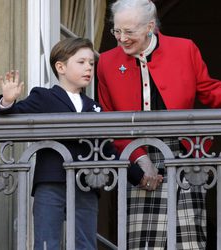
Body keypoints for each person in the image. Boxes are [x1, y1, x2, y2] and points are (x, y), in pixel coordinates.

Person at [97, 0, 221, 249]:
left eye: (129, 31)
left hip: (184, 150)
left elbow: (209, 91)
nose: (122, 38)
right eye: (117, 30)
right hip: (137, 149)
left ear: (150, 27)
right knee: (144, 241)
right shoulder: (107, 62)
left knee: (189, 238)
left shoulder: (184, 49)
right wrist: (138, 157)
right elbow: (108, 119)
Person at [0, 37, 103, 250]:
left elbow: (108, 148)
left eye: (91, 63)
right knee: (46, 242)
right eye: (81, 62)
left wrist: (138, 174)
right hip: (51, 180)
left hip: (86, 182)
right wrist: (7, 101)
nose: (88, 67)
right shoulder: (44, 97)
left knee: (85, 243)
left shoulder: (94, 105)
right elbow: (13, 116)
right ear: (60, 67)